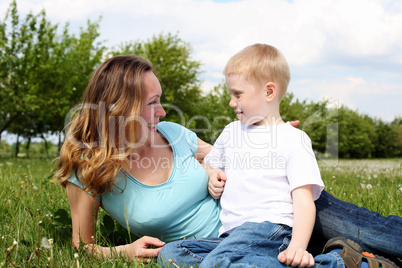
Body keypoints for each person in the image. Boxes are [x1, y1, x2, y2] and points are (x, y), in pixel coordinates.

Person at [54, 54, 401, 265]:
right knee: (183, 260)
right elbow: (82, 248)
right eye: (151, 103)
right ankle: (351, 263)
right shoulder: (89, 170)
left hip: (273, 205)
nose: (161, 111)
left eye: (160, 100)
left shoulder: (172, 133)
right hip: (226, 242)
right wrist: (123, 251)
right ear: (119, 107)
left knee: (378, 232)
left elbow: (226, 154)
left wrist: (269, 134)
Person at [157, 44, 400, 268]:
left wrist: (297, 246)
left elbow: (304, 201)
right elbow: (211, 165)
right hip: (229, 236)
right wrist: (213, 176)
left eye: (237, 94)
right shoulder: (231, 132)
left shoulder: (293, 139)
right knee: (171, 253)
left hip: (270, 230)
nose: (231, 102)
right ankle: (340, 262)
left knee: (219, 263)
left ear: (269, 91)